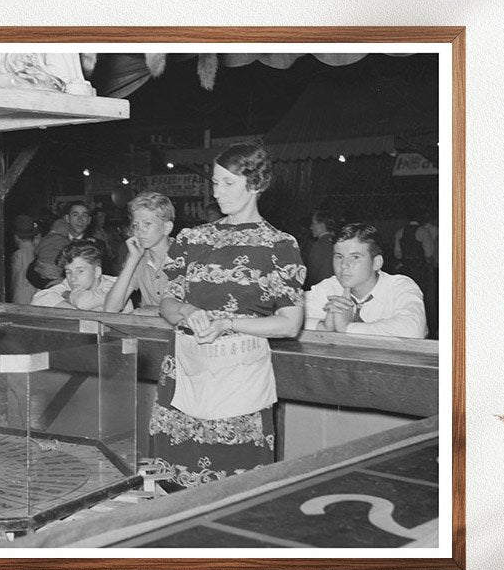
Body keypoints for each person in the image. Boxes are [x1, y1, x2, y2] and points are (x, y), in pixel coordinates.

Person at [150, 141, 305, 488]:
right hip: (185, 375)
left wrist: (228, 323)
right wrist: (187, 311)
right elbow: (167, 302)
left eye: (228, 183)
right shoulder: (192, 238)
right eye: (215, 183)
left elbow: (290, 323)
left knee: (234, 487)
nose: (218, 192)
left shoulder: (280, 245)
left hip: (240, 381)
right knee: (173, 485)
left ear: (256, 185)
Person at [304, 222, 426, 338]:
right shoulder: (328, 287)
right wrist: (323, 326)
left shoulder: (400, 287)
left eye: (355, 257)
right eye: (339, 256)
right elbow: (291, 316)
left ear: (376, 263)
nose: (344, 265)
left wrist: (347, 328)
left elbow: (413, 331)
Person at [103, 192, 174, 315]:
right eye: (135, 225)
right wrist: (132, 260)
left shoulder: (186, 255)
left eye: (147, 224)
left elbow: (194, 309)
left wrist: (152, 311)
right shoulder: (138, 257)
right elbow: (111, 308)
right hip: (149, 331)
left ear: (167, 228)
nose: (139, 231)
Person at [30, 241, 131, 311]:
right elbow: (40, 298)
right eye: (68, 272)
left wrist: (68, 295)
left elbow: (83, 302)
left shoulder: (117, 287)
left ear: (97, 272)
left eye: (80, 271)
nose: (73, 278)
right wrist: (73, 309)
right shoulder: (71, 284)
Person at [26, 202, 90, 288]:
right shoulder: (50, 240)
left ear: (89, 220)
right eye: (75, 215)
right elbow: (31, 273)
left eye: (84, 215)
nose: (80, 219)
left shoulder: (96, 245)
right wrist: (49, 282)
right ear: (67, 218)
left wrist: (65, 281)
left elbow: (101, 278)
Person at [9, 214, 39, 305]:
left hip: (21, 297)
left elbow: (16, 279)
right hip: (36, 296)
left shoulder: (18, 255)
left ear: (16, 237)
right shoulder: (37, 251)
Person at [303, 209, 336, 289]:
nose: (311, 227)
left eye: (313, 223)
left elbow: (312, 274)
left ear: (321, 226)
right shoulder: (335, 242)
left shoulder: (320, 244)